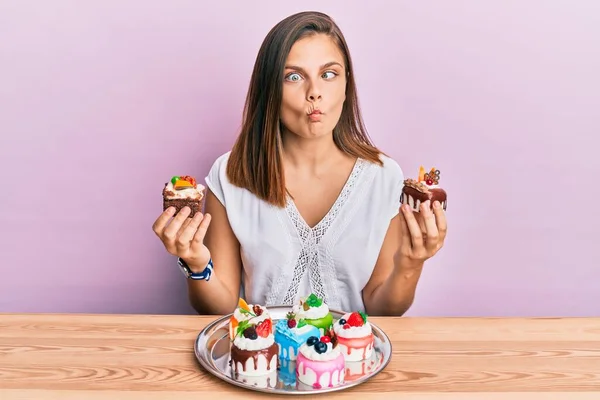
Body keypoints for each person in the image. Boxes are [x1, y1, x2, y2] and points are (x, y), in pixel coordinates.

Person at [152, 11, 447, 316]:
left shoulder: (385, 178)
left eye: (329, 74)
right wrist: (196, 263)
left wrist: (410, 264)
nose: (314, 93)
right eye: (293, 77)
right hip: (262, 358)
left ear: (347, 85)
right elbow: (220, 307)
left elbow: (383, 308)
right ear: (270, 91)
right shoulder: (230, 176)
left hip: (350, 359)